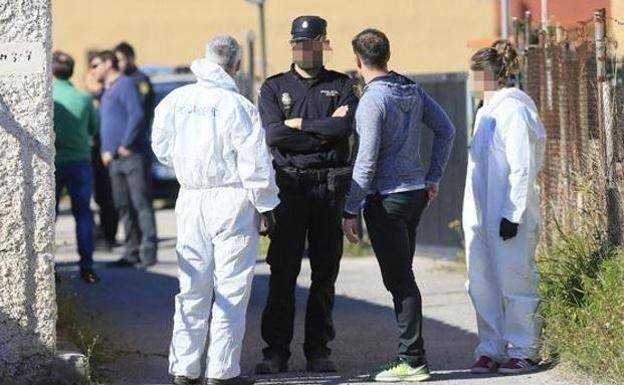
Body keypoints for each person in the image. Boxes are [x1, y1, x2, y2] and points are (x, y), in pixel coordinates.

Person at [152, 35, 279, 385]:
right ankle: (222, 371)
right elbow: (256, 164)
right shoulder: (237, 106)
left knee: (191, 284)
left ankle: (184, 367)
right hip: (231, 199)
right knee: (231, 287)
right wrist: (266, 205)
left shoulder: (177, 100)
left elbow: (161, 149)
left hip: (191, 197)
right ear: (237, 65)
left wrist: (186, 163)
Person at [342, 29, 456, 382]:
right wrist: (432, 176)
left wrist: (350, 208)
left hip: (387, 199)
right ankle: (408, 355)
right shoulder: (411, 88)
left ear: (358, 60)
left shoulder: (373, 100)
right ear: (387, 55)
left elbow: (367, 159)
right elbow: (447, 129)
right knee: (402, 276)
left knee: (400, 281)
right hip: (414, 194)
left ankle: (413, 361)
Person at [255, 15, 358, 374]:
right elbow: (273, 136)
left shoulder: (342, 85)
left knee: (325, 272)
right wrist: (322, 133)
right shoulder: (273, 87)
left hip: (329, 187)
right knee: (282, 271)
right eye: (297, 42)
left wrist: (300, 125)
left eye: (310, 42)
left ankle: (318, 349)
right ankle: (276, 351)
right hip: (289, 186)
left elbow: (344, 128)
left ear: (323, 43)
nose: (303, 48)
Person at [463, 42, 546, 375]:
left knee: (515, 279)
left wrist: (513, 212)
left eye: (473, 75)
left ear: (484, 75)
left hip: (508, 213)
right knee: (481, 281)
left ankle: (525, 348)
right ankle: (492, 347)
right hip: (481, 215)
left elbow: (521, 165)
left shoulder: (513, 109)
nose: (471, 82)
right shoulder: (485, 112)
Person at [91, 50, 158, 269]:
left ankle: (147, 253)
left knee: (140, 204)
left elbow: (137, 115)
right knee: (123, 206)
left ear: (108, 63)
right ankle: (131, 252)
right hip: (113, 160)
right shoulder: (107, 90)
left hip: (131, 156)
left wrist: (125, 145)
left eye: (95, 65)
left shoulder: (126, 84)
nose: (93, 70)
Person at [52, 51, 100, 283]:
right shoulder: (83, 99)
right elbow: (93, 128)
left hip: (52, 162)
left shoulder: (47, 96)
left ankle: (49, 269)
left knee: (48, 218)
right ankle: (87, 268)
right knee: (83, 216)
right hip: (79, 161)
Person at [86, 53, 119, 251]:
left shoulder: (112, 90)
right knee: (100, 196)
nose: (92, 70)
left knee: (109, 196)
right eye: (90, 67)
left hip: (109, 152)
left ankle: (108, 236)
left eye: (95, 65)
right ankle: (103, 234)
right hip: (95, 151)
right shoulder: (93, 96)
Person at [114, 42, 155, 126]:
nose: (117, 64)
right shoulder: (118, 80)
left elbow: (141, 103)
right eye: (115, 61)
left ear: (131, 58)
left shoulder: (141, 80)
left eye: (120, 60)